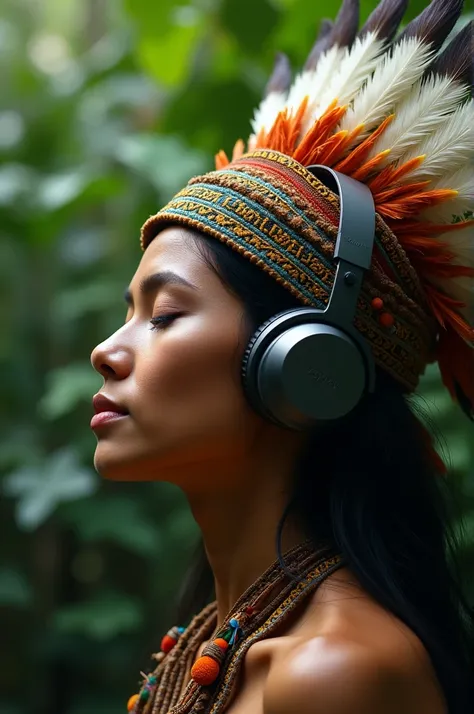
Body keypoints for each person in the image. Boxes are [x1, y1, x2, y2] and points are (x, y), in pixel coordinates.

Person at [90, 0, 474, 711]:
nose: (107, 352)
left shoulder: (337, 672)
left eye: (164, 315)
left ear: (305, 363)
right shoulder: (220, 635)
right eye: (128, 313)